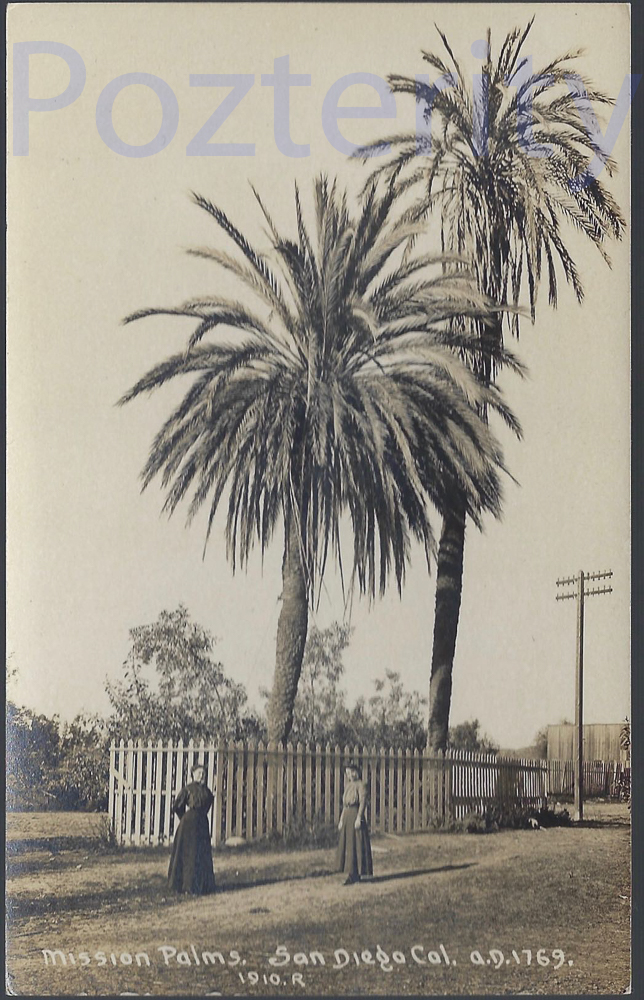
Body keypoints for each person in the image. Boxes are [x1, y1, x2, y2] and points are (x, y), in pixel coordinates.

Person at [168, 763, 216, 895]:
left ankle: (203, 885)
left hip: (202, 824)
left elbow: (208, 805)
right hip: (189, 826)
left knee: (201, 853)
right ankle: (186, 885)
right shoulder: (187, 789)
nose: (201, 776)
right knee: (189, 854)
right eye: (199, 773)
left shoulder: (207, 792)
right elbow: (177, 806)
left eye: (203, 774)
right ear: (193, 775)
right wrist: (185, 818)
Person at [337, 760, 373, 885]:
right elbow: (345, 805)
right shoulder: (348, 786)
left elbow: (362, 803)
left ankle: (357, 874)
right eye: (347, 773)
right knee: (348, 845)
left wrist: (359, 818)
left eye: (351, 772)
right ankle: (351, 873)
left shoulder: (361, 785)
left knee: (357, 844)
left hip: (355, 815)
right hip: (347, 816)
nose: (350, 775)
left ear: (356, 772)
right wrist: (341, 819)